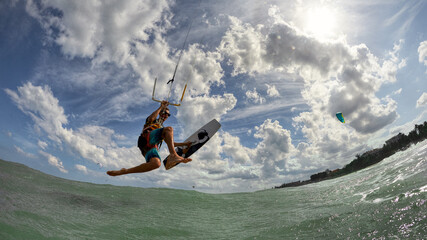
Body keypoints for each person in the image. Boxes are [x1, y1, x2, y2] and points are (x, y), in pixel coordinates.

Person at [107, 101, 192, 176]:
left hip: (151, 147)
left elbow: (172, 143)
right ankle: (173, 156)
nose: (166, 115)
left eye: (168, 114)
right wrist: (161, 107)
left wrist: (185, 144)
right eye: (164, 113)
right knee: (169, 129)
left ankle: (125, 171)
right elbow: (151, 118)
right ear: (160, 113)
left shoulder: (164, 130)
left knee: (156, 164)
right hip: (146, 139)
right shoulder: (153, 121)